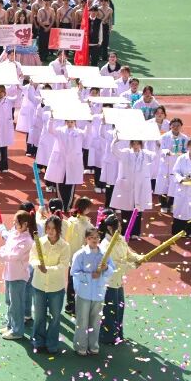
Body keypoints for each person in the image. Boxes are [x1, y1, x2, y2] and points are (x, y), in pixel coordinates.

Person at [97, 213, 143, 346]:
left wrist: (139, 257)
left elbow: (128, 254)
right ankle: (107, 337)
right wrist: (133, 266)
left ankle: (117, 334)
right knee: (109, 310)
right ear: (110, 228)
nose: (121, 228)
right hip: (109, 283)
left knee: (119, 308)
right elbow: (115, 266)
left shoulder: (121, 239)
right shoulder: (105, 245)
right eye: (118, 226)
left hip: (119, 282)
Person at [0, 210, 34, 341]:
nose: (14, 224)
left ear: (25, 224)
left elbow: (14, 256)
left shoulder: (27, 240)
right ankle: (10, 325)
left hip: (18, 276)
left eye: (16, 222)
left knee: (16, 304)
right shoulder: (14, 234)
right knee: (9, 302)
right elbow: (6, 248)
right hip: (9, 274)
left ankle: (17, 331)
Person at [70, 227, 114, 356]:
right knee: (82, 320)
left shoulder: (104, 254)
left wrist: (106, 268)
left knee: (95, 321)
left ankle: (93, 345)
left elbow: (112, 270)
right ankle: (81, 346)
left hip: (99, 293)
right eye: (91, 238)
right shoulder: (80, 254)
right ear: (86, 239)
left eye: (96, 237)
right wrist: (89, 276)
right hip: (83, 293)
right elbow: (74, 272)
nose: (94, 240)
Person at [30, 216, 71, 354]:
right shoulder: (39, 242)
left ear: (59, 229)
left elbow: (64, 264)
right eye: (48, 228)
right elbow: (32, 258)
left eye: (54, 228)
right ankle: (38, 341)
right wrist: (38, 265)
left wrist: (48, 269)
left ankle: (52, 343)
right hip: (39, 285)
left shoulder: (65, 246)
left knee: (55, 317)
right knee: (39, 315)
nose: (51, 231)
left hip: (56, 287)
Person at [109, 137, 154, 238]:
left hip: (140, 186)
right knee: (126, 210)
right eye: (133, 143)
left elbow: (155, 155)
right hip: (127, 185)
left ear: (141, 144)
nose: (135, 146)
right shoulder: (126, 153)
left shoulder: (146, 154)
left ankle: (136, 232)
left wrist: (157, 143)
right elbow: (114, 151)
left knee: (138, 210)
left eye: (138, 143)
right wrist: (115, 140)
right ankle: (125, 232)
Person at [44, 119, 86, 210]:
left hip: (73, 163)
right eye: (68, 122)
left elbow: (88, 135)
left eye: (72, 122)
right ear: (65, 122)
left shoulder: (79, 132)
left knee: (70, 186)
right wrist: (51, 119)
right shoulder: (60, 130)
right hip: (61, 162)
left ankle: (68, 206)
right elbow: (50, 130)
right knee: (60, 185)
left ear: (75, 122)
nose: (70, 124)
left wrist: (90, 123)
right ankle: (61, 206)